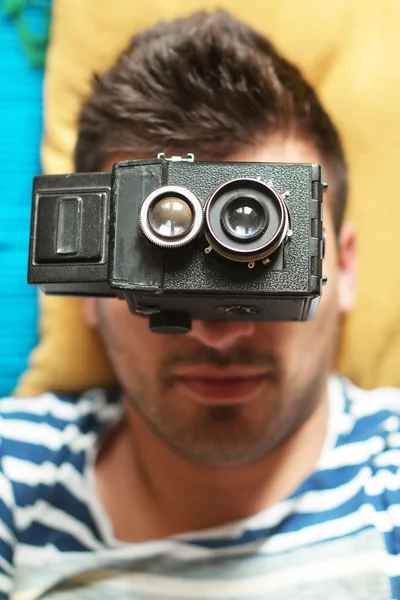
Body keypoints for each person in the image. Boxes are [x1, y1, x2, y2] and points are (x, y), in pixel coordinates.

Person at [1, 9, 399, 600]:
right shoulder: (15, 478)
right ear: (89, 277)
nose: (217, 332)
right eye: (159, 256)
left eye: (259, 253)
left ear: (341, 268)